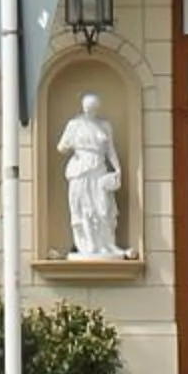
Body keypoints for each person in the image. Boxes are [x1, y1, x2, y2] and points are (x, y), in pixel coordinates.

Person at [56, 94, 124, 259]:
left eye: (93, 108)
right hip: (80, 169)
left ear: (97, 108)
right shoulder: (74, 124)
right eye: (87, 108)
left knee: (103, 206)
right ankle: (88, 245)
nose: (90, 111)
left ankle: (106, 244)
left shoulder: (104, 125)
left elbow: (110, 150)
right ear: (83, 107)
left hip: (99, 168)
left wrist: (118, 169)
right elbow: (61, 147)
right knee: (83, 206)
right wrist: (69, 145)